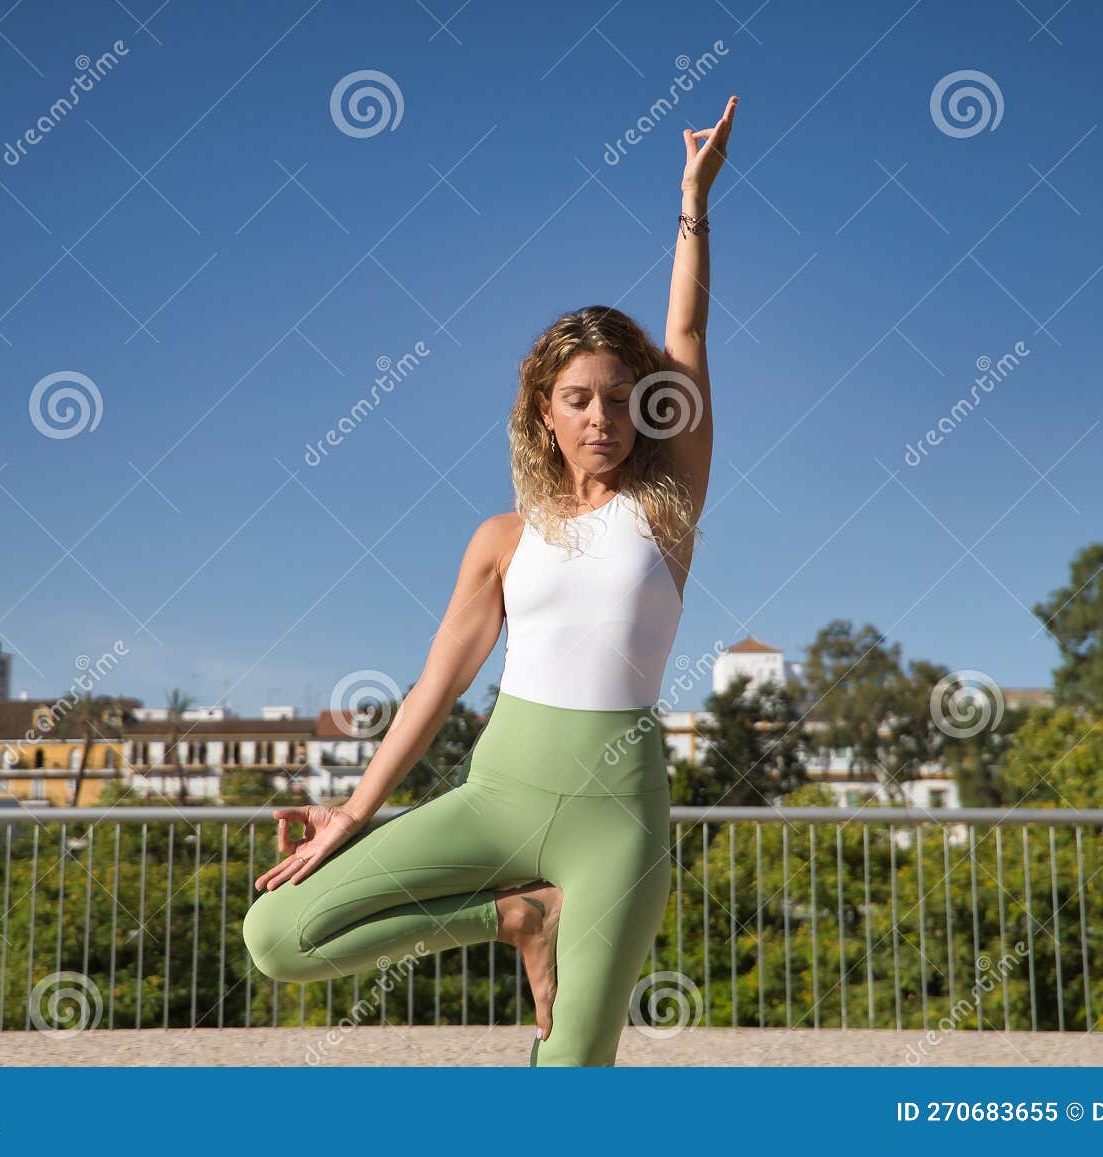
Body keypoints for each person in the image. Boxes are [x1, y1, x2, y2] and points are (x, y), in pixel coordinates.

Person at [242, 95, 737, 1066]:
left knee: (574, 1068)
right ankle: (517, 915)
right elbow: (439, 681)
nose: (601, 417)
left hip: (615, 817)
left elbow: (687, 333)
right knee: (279, 935)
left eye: (620, 401)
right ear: (542, 412)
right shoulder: (500, 537)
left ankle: (550, 933)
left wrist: (692, 200)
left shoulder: (665, 505)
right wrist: (354, 808)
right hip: (498, 789)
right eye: (578, 399)